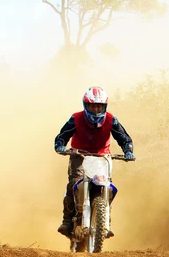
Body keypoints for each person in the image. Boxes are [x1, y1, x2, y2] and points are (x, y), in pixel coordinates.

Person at [54, 86, 134, 237]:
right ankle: (67, 221)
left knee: (108, 187)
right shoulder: (76, 118)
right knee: (73, 184)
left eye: (99, 106)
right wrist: (60, 146)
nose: (96, 110)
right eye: (93, 106)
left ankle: (105, 221)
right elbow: (62, 136)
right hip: (79, 155)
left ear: (104, 106)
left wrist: (128, 150)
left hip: (102, 157)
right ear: (86, 106)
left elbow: (124, 138)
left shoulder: (111, 120)